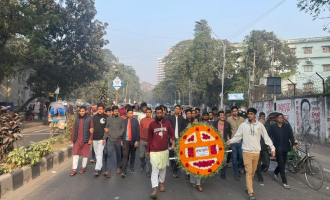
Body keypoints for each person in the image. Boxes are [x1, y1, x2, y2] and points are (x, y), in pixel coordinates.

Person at [227, 108, 275, 200]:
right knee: (249, 171)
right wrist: (230, 141)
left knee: (253, 171)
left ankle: (247, 187)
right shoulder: (243, 125)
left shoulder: (260, 125)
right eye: (248, 114)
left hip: (256, 152)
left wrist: (272, 148)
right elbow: (238, 136)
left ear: (255, 115)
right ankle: (251, 193)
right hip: (246, 152)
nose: (249, 115)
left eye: (251, 114)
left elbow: (266, 138)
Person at [147, 107, 175, 199]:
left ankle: (162, 183)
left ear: (163, 113)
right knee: (155, 170)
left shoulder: (167, 123)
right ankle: (155, 189)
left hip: (164, 151)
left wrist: (173, 142)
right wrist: (148, 150)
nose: (159, 115)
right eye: (157, 113)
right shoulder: (152, 125)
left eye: (160, 113)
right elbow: (149, 138)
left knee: (163, 168)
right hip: (154, 151)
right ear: (155, 113)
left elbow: (172, 133)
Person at [269, 113, 296, 189]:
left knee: (283, 163)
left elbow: (291, 136)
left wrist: (293, 144)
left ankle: (275, 172)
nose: (280, 119)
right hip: (277, 148)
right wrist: (271, 147)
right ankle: (285, 182)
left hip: (285, 147)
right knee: (281, 163)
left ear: (283, 119)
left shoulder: (287, 127)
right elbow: (269, 137)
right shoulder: (273, 127)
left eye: (282, 117)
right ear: (276, 119)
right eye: (279, 117)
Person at [70, 106, 94, 176]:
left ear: (85, 111)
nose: (81, 112)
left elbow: (92, 130)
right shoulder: (77, 119)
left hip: (86, 139)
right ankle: (74, 169)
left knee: (85, 154)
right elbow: (74, 129)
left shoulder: (89, 119)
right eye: (80, 111)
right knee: (75, 153)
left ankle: (83, 167)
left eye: (83, 111)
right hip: (77, 139)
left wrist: (90, 139)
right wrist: (72, 138)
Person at [103, 106, 125, 178]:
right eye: (115, 111)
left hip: (118, 140)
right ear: (112, 111)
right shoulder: (108, 119)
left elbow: (123, 128)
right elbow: (106, 128)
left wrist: (119, 134)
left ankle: (119, 167)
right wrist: (104, 138)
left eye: (117, 111)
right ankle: (108, 171)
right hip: (110, 139)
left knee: (118, 154)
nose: (116, 112)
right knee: (109, 154)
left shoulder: (121, 119)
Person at [227, 106, 245, 181]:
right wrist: (229, 140)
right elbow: (227, 131)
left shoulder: (242, 119)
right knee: (234, 158)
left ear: (238, 111)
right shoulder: (229, 119)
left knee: (241, 157)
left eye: (236, 111)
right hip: (233, 141)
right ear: (232, 112)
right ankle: (236, 174)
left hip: (241, 141)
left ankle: (237, 168)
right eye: (233, 111)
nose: (235, 112)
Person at [121, 108, 140, 177]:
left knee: (133, 155)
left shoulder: (135, 121)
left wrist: (137, 140)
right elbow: (122, 131)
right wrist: (121, 140)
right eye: (129, 113)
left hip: (133, 141)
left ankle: (132, 167)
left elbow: (138, 131)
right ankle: (123, 171)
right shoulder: (124, 121)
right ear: (127, 113)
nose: (130, 114)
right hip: (126, 141)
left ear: (133, 114)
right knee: (125, 156)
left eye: (131, 113)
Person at [213, 111, 232, 179]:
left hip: (224, 142)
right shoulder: (215, 123)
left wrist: (229, 141)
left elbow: (229, 133)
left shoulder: (227, 124)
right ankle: (215, 170)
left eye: (223, 115)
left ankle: (223, 173)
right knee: (216, 158)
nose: (223, 116)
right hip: (216, 143)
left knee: (224, 159)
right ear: (218, 117)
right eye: (221, 115)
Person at [168, 105, 185, 178]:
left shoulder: (182, 119)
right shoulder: (170, 118)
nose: (177, 110)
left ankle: (175, 170)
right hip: (172, 138)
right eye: (176, 108)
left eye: (178, 109)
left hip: (179, 139)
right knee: (171, 154)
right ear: (174, 109)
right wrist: (170, 137)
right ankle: (172, 164)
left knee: (178, 155)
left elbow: (183, 129)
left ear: (180, 110)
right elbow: (168, 129)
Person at [91, 103, 108, 176]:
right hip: (94, 138)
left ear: (104, 110)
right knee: (97, 153)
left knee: (99, 153)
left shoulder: (106, 117)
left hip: (102, 138)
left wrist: (105, 138)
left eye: (101, 109)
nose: (99, 110)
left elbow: (107, 128)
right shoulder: (94, 117)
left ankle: (98, 168)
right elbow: (91, 127)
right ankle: (99, 166)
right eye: (98, 109)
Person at [255, 119, 270, 185]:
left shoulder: (266, 130)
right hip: (256, 150)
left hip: (264, 149)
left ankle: (259, 170)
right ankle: (260, 178)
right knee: (258, 165)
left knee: (266, 163)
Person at [139, 107, 154, 178]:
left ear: (151, 113)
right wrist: (140, 138)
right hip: (142, 140)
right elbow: (140, 130)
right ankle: (142, 163)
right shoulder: (142, 120)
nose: (148, 113)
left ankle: (148, 171)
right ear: (145, 113)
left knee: (148, 158)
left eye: (149, 112)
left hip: (150, 141)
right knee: (141, 156)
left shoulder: (153, 121)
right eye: (147, 112)